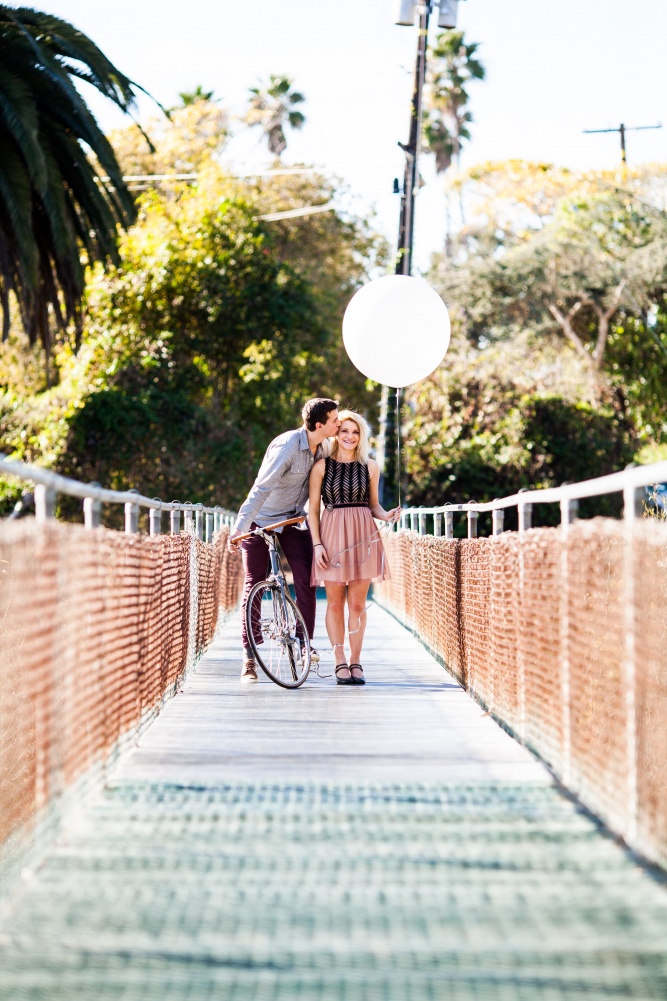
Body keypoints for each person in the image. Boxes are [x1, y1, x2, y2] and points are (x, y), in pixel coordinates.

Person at [228, 398, 340, 684]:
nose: (338, 424)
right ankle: (249, 658)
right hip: (261, 520)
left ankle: (305, 644)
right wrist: (239, 528)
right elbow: (261, 488)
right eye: (335, 420)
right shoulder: (288, 446)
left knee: (307, 577)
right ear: (319, 425)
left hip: (292, 519)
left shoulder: (325, 447)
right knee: (254, 582)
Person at [308, 410, 400, 686]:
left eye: (355, 431)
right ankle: (339, 661)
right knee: (335, 602)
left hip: (363, 534)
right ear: (336, 433)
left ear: (361, 436)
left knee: (358, 603)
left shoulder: (370, 466)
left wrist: (386, 515)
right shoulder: (321, 467)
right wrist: (317, 544)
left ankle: (356, 660)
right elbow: (313, 510)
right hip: (332, 534)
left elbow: (372, 504)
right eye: (345, 430)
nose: (349, 436)